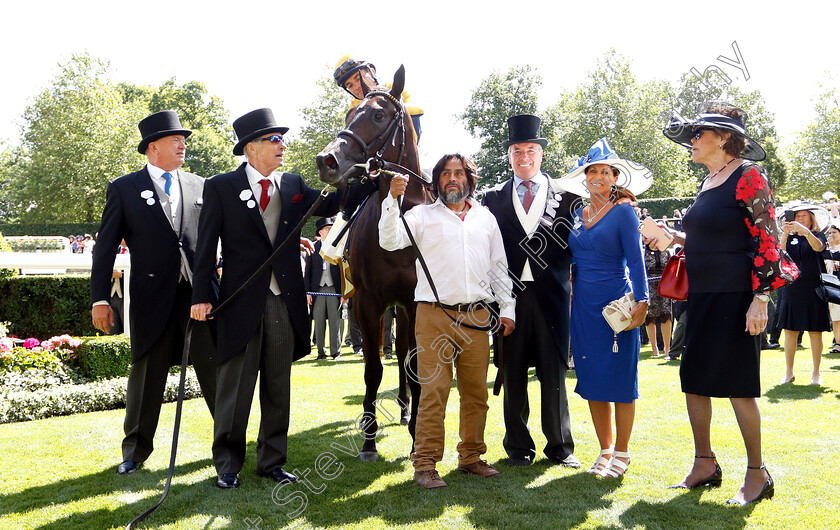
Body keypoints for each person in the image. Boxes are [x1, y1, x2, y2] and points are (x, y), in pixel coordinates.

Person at [190, 108, 352, 490]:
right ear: (251, 148)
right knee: (235, 388)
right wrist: (201, 295)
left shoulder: (293, 183)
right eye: (273, 139)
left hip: (284, 301)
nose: (282, 145)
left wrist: (356, 171)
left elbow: (332, 203)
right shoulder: (220, 186)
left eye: (282, 139)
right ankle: (228, 465)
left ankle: (272, 462)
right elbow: (204, 246)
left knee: (278, 386)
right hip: (240, 301)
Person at [660, 101, 797, 505]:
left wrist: (760, 299)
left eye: (698, 135)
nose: (691, 142)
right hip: (701, 295)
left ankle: (758, 473)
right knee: (694, 381)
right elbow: (712, 239)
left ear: (722, 138)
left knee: (739, 387)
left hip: (738, 296)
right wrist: (671, 238)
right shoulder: (707, 182)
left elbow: (769, 238)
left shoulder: (749, 175)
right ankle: (705, 464)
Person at [90, 110, 217, 475]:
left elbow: (215, 239)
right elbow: (106, 249)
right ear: (152, 148)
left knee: (215, 370)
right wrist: (100, 298)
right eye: (174, 139)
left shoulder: (200, 184)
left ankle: (228, 443)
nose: (182, 144)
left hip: (199, 296)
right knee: (147, 376)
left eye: (183, 139)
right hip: (151, 299)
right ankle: (134, 452)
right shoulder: (124, 188)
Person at [379, 153, 516, 489]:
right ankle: (425, 464)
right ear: (436, 180)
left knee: (476, 393)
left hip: (477, 316)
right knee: (434, 392)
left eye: (459, 173)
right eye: (445, 173)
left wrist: (508, 308)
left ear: (470, 179)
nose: (452, 179)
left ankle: (471, 456)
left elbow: (498, 266)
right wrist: (391, 199)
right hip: (433, 315)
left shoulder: (485, 218)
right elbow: (389, 240)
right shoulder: (421, 215)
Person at [482, 115, 585, 469]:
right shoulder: (492, 198)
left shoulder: (569, 197)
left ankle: (560, 447)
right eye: (516, 150)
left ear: (540, 153)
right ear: (509, 155)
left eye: (530, 149)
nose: (523, 156)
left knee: (553, 374)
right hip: (509, 299)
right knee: (511, 373)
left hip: (553, 297)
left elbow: (580, 248)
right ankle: (518, 448)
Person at [560, 138, 650, 478]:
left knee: (621, 382)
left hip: (616, 305)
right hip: (582, 307)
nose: (598, 176)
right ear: (585, 178)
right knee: (593, 379)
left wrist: (643, 301)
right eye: (592, 171)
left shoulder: (625, 213)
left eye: (604, 171)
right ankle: (605, 449)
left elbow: (637, 259)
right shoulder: (577, 215)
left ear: (615, 177)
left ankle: (623, 452)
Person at [776, 202, 831, 385]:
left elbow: (818, 248)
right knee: (790, 331)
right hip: (792, 288)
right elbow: (780, 253)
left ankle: (816, 373)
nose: (799, 219)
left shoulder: (817, 235)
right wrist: (785, 232)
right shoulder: (789, 237)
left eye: (803, 216)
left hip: (814, 288)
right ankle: (789, 372)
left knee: (815, 331)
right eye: (796, 216)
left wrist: (805, 232)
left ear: (811, 218)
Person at [333, 55, 424, 143]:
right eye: (350, 85)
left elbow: (418, 109)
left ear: (371, 71)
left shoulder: (390, 87)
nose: (356, 86)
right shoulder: (354, 107)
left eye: (358, 78)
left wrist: (387, 111)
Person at [305, 217, 343, 360]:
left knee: (335, 321)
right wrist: (307, 292)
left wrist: (344, 293)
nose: (330, 231)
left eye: (331, 229)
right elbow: (307, 272)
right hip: (317, 290)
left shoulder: (336, 246)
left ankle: (336, 352)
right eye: (328, 229)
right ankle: (321, 352)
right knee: (319, 321)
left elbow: (342, 271)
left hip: (334, 289)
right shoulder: (313, 247)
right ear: (320, 232)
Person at [644, 243, 673, 358]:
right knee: (650, 317)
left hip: (665, 286)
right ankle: (654, 348)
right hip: (649, 286)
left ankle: (667, 348)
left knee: (666, 315)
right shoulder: (643, 252)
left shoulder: (667, 251)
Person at [825, 222, 840, 354]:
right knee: (836, 316)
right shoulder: (826, 249)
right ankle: (838, 343)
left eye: (834, 232)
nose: (832, 235)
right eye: (830, 233)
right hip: (833, 285)